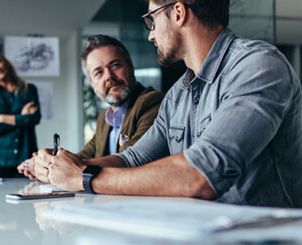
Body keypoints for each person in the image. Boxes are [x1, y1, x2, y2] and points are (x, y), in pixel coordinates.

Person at [31, 0, 302, 208]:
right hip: (203, 236)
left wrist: (84, 177)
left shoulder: (257, 66)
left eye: (151, 20)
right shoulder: (177, 95)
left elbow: (202, 173)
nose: (150, 35)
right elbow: (132, 159)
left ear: (178, 13)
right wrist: (62, 167)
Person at [17, 35, 163, 179]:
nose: (109, 76)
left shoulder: (151, 103)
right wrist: (46, 161)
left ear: (130, 65)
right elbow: (83, 156)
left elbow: (133, 159)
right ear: (92, 83)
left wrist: (57, 167)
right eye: (98, 73)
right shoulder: (104, 118)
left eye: (115, 65)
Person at [0, 50, 41, 178]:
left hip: (26, 156)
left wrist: (3, 118)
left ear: (5, 62)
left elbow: (34, 119)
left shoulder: (29, 90)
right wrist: (22, 116)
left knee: (28, 194)